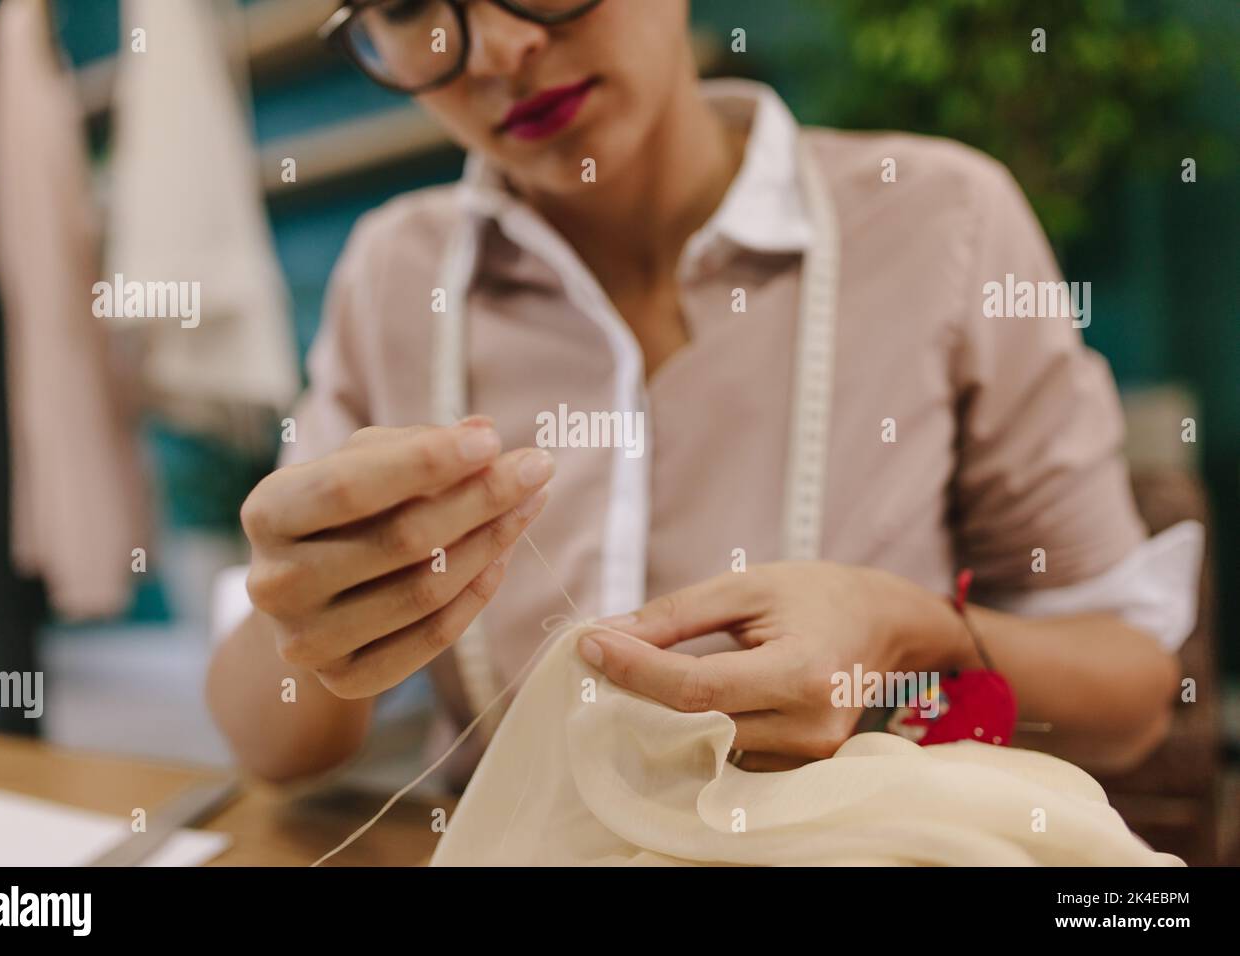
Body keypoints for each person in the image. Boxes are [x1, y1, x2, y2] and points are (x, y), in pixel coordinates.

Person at [206, 0, 1200, 782]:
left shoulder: (945, 222)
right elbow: (279, 747)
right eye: (408, 3)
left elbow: (1130, 695)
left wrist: (914, 627)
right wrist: (308, 617)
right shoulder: (394, 273)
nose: (500, 47)